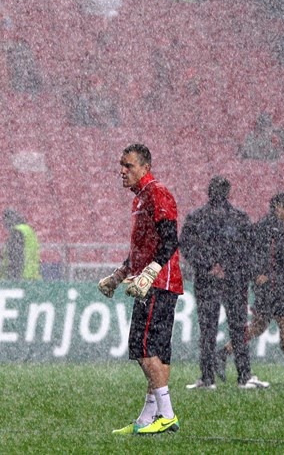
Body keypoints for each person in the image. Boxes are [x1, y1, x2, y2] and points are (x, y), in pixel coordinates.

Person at [97, 143, 183, 435]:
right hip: (154, 282)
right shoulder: (140, 199)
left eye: (128, 165)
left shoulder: (157, 193)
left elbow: (170, 240)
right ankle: (148, 419)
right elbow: (141, 250)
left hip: (158, 284)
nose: (121, 170)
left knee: (144, 350)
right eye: (121, 164)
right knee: (158, 352)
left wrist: (152, 271)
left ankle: (168, 416)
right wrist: (119, 275)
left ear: (145, 168)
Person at [217, 193, 284, 384]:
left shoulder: (272, 227)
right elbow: (257, 253)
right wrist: (258, 273)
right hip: (270, 286)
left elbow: (270, 254)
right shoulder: (270, 228)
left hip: (272, 286)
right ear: (278, 207)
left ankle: (224, 352)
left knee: (262, 325)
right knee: (283, 323)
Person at [180, 176, 269, 390]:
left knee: (208, 330)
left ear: (208, 192)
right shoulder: (239, 217)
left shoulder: (196, 217)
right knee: (238, 328)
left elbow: (185, 246)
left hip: (207, 280)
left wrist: (209, 266)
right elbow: (249, 249)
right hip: (235, 281)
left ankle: (207, 378)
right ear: (229, 193)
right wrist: (231, 268)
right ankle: (244, 376)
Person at [0, 208, 41, 280]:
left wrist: (12, 276)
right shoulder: (29, 230)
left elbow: (15, 257)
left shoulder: (17, 232)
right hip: (32, 276)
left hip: (20, 277)